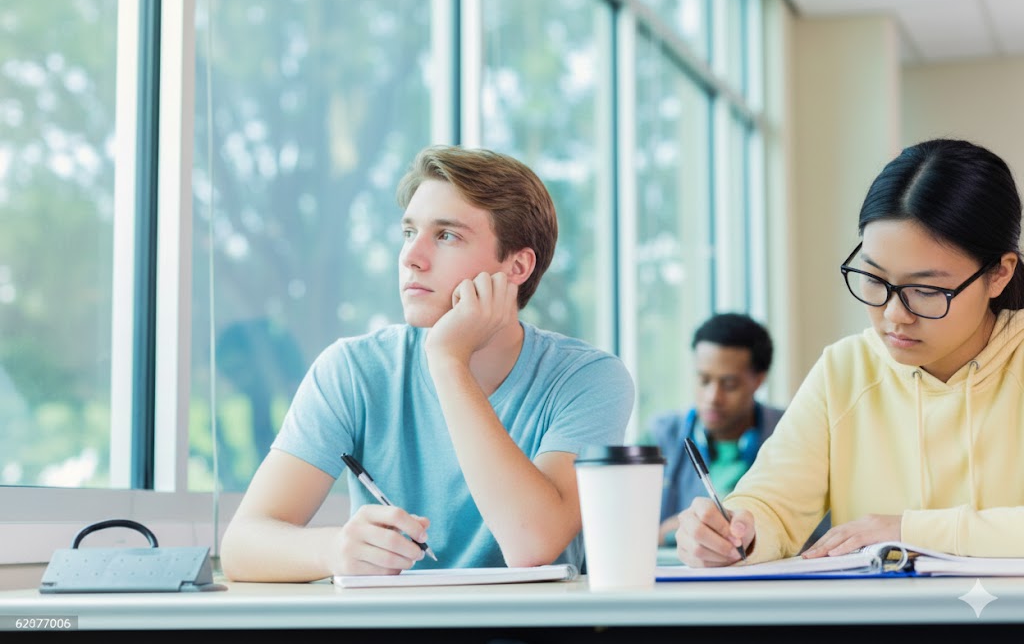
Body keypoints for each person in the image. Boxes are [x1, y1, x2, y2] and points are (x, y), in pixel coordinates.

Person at [220, 145, 635, 582]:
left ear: (517, 266)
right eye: (408, 232)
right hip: (398, 621)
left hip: (530, 623)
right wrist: (333, 550)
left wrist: (448, 361)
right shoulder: (353, 370)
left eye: (446, 236)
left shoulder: (589, 379)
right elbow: (242, 546)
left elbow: (532, 546)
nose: (411, 257)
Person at [675, 137, 1024, 567]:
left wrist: (909, 530)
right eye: (875, 280)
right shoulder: (844, 370)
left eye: (926, 290)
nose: (894, 314)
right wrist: (733, 534)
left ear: (999, 274)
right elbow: (771, 504)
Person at [648, 313, 783, 546]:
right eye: (703, 380)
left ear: (759, 380)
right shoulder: (659, 437)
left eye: (729, 385)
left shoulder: (789, 433)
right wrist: (667, 533)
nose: (712, 397)